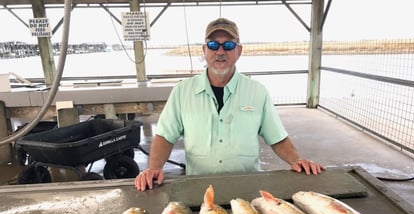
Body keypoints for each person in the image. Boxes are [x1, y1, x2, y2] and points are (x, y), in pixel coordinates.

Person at [135, 17, 325, 191]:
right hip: (199, 188)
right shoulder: (182, 91)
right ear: (204, 50)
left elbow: (277, 138)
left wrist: (297, 160)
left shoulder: (257, 92)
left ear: (239, 51)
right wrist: (154, 168)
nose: (220, 52)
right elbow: (165, 137)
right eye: (213, 45)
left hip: (248, 187)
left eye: (228, 45)